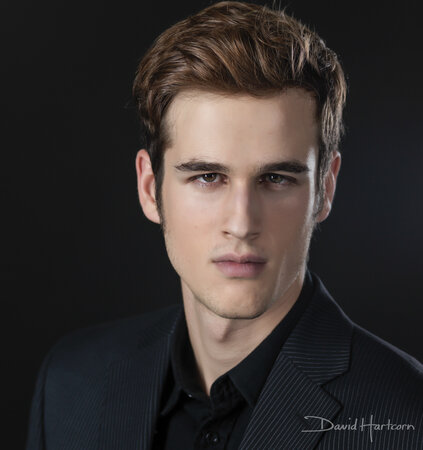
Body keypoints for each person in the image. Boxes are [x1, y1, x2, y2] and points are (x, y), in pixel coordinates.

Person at [26, 2, 422, 449]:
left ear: (325, 189)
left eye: (276, 178)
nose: (241, 223)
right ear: (150, 188)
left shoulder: (409, 420)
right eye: (208, 177)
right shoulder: (70, 382)